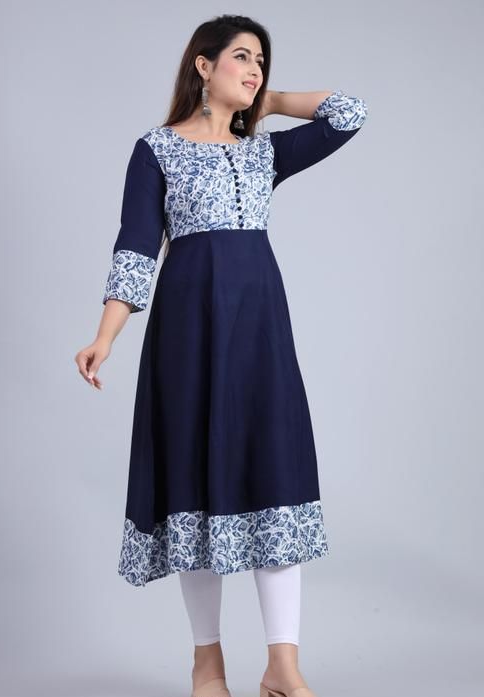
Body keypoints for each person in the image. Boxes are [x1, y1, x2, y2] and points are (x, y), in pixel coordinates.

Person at [75, 13, 368, 697]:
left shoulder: (263, 153)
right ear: (202, 65)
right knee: (194, 482)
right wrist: (106, 335)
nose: (254, 68)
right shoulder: (156, 149)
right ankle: (207, 664)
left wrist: (266, 101)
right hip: (187, 329)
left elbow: (349, 113)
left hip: (260, 328)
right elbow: (136, 245)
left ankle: (282, 665)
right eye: (241, 57)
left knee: (274, 474)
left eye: (262, 60)